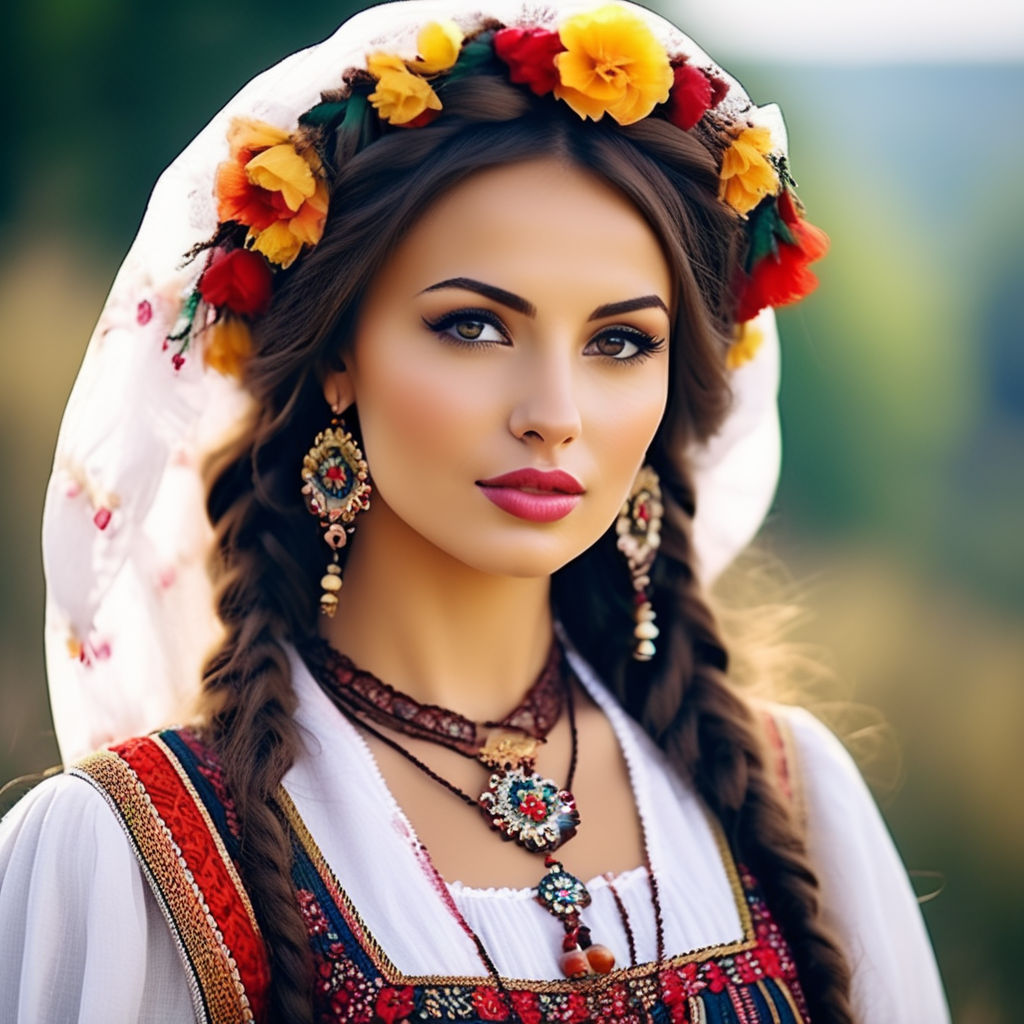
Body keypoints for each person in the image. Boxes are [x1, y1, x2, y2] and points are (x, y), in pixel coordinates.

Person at [0, 1, 948, 1021]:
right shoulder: (132, 861)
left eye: (620, 341)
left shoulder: (791, 803)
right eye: (472, 325)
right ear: (334, 356)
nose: (554, 415)